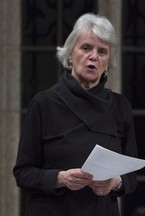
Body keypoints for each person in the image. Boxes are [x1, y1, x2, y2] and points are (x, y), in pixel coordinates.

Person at [13, 13, 138, 216]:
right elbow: (22, 173)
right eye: (86, 48)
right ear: (70, 54)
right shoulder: (43, 104)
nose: (94, 56)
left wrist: (116, 182)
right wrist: (60, 178)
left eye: (102, 51)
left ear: (108, 62)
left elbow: (131, 175)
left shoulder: (120, 107)